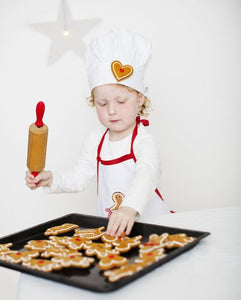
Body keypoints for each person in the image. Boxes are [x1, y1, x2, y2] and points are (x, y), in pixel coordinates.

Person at [25, 29, 170, 237]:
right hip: (115, 231)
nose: (111, 110)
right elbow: (79, 177)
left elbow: (147, 174)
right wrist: (51, 179)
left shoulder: (143, 140)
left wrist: (129, 207)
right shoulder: (97, 140)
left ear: (140, 99)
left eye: (120, 101)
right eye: (102, 103)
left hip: (154, 228)